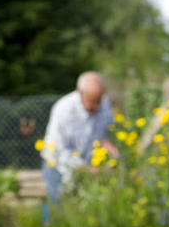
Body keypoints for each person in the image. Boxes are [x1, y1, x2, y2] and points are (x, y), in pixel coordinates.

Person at [41, 71, 118, 206]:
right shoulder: (63, 109)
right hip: (58, 165)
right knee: (58, 206)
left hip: (89, 167)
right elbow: (59, 150)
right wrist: (85, 169)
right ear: (80, 92)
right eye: (93, 101)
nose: (98, 106)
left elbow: (106, 135)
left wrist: (112, 151)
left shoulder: (105, 104)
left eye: (99, 99)